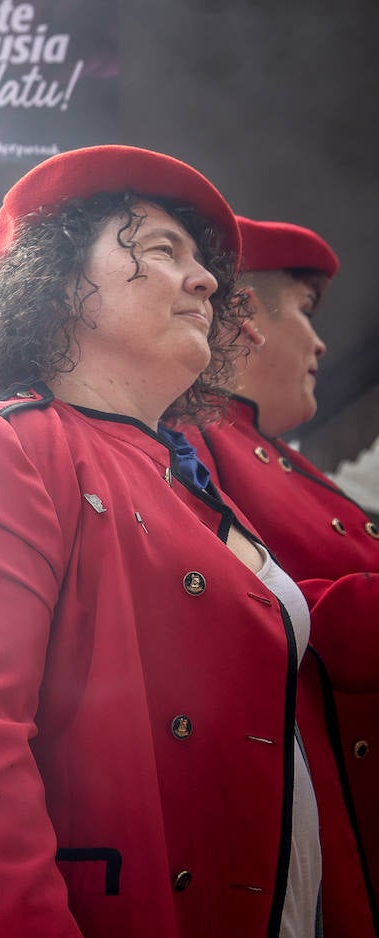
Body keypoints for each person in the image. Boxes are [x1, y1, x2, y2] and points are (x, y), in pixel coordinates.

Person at [0, 146, 322, 938]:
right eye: (162, 250)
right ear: (59, 282)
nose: (207, 281)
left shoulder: (192, 479)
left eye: (203, 265)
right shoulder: (3, 445)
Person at [189, 216, 379, 934]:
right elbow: (254, 614)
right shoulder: (192, 438)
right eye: (303, 309)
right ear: (245, 317)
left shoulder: (271, 454)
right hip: (292, 824)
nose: (322, 342)